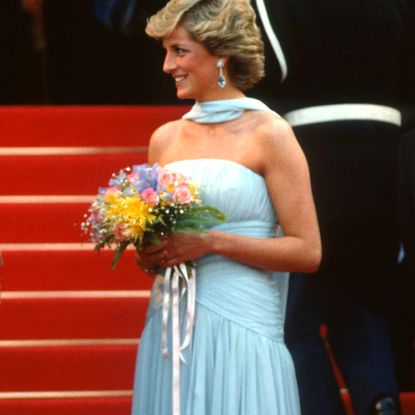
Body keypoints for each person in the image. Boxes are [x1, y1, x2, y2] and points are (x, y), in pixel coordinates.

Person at [131, 0, 321, 413]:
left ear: (221, 54)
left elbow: (307, 251)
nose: (167, 65)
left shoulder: (270, 133)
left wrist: (212, 242)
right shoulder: (164, 139)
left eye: (179, 51)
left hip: (244, 325)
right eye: (166, 51)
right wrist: (151, 252)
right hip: (171, 325)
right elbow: (155, 250)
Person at [248, 1, 415, 414]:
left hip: (312, 160)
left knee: (298, 321)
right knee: (361, 306)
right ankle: (381, 400)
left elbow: (268, 68)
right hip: (383, 159)